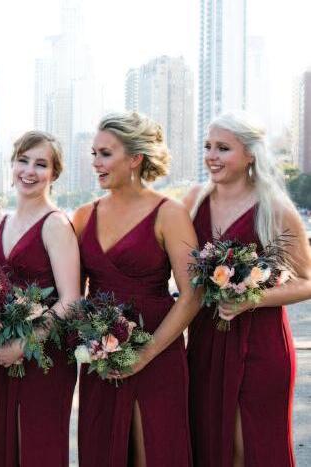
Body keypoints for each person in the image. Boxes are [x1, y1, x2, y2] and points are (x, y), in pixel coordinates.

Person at [72, 112, 201, 466]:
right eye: (94, 153)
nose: (96, 163)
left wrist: (145, 354)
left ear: (135, 158)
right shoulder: (83, 216)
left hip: (157, 348)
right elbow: (74, 296)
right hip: (101, 354)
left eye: (105, 154)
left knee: (157, 452)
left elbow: (192, 294)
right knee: (102, 451)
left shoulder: (169, 213)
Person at [184, 112, 311, 467]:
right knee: (209, 439)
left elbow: (306, 281)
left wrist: (250, 299)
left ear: (250, 153)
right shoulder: (194, 200)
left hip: (260, 343)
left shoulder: (275, 207)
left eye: (223, 148)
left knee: (247, 445)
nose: (211, 156)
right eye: (208, 146)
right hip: (206, 338)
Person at [0, 132, 80, 466]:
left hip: (45, 357)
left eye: (41, 164)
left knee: (39, 450)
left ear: (54, 174)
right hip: (6, 354)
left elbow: (71, 299)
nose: (29, 170)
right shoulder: (1, 222)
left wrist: (23, 345)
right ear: (12, 165)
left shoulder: (55, 224)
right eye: (23, 160)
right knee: (5, 447)